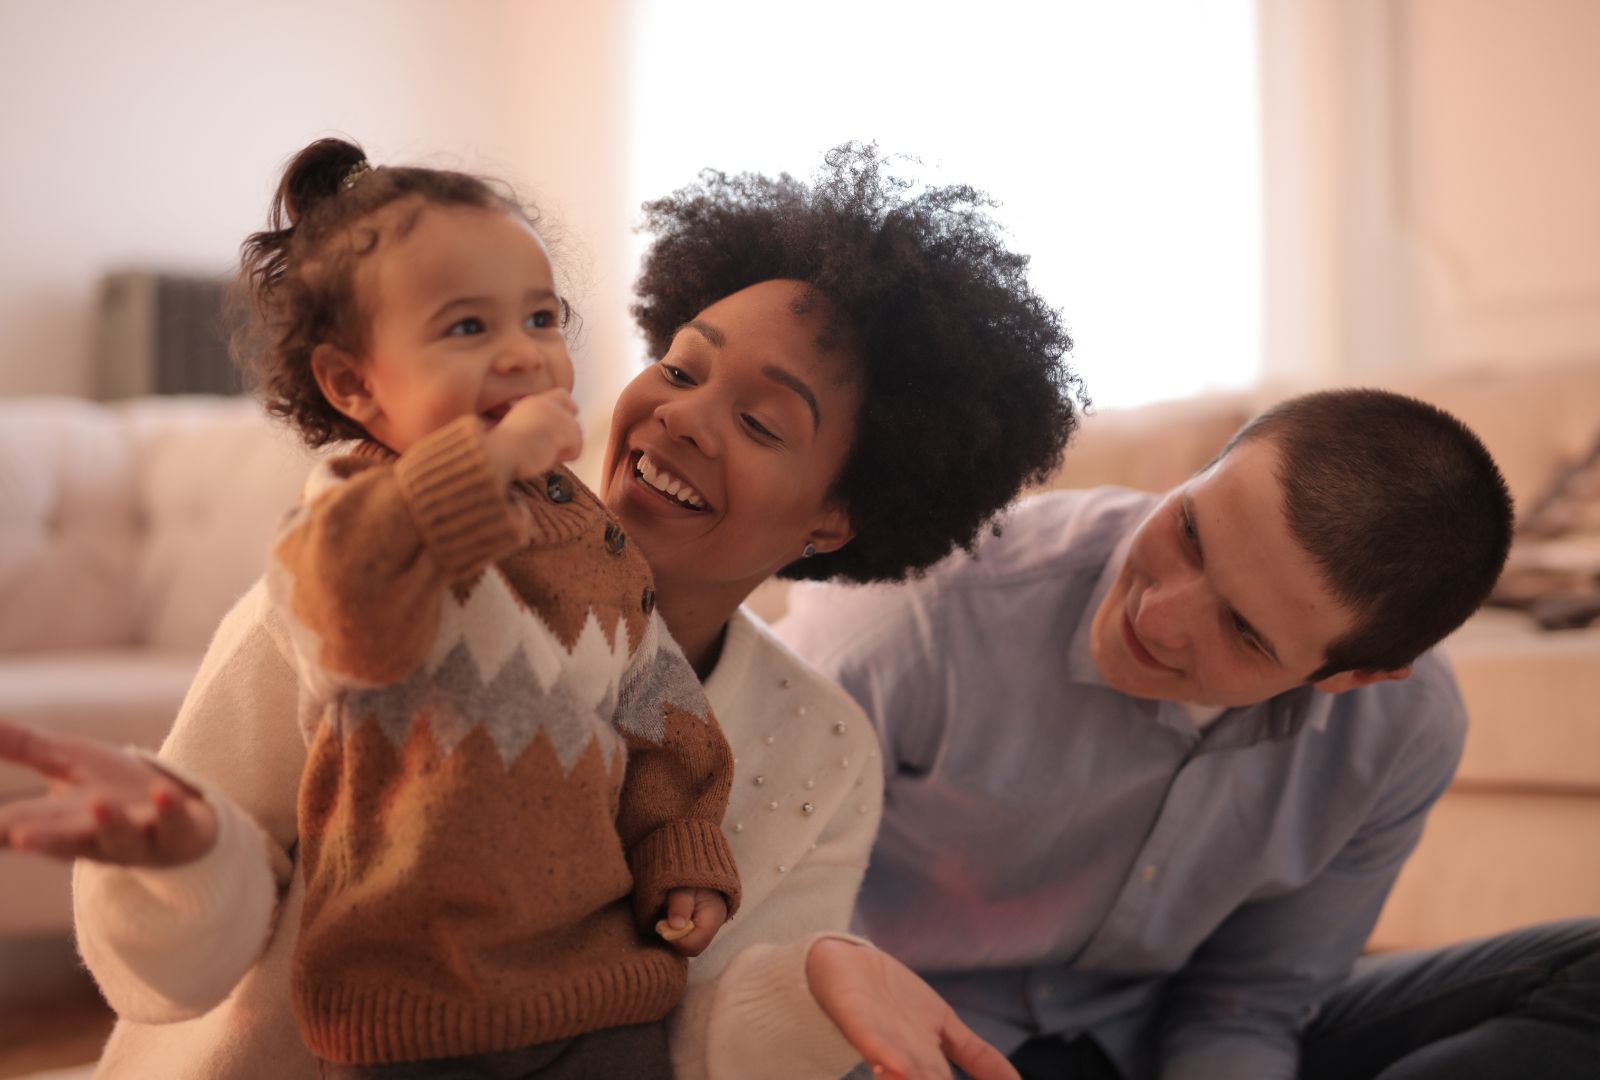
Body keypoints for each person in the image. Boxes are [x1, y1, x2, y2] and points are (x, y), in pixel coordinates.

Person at [0, 142, 1085, 1080]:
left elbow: (700, 1046)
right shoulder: (370, 576)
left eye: (758, 423)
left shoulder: (824, 751)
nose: (679, 419)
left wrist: (818, 981)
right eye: (678, 365)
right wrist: (185, 853)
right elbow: (169, 981)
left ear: (837, 515)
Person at [776, 387, 1600, 1079]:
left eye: (1245, 632)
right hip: (912, 1045)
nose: (1158, 615)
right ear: (1195, 472)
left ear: (1354, 676)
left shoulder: (1401, 730)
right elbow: (743, 939)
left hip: (1157, 1039)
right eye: (1191, 533)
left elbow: (1251, 1003)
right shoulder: (913, 616)